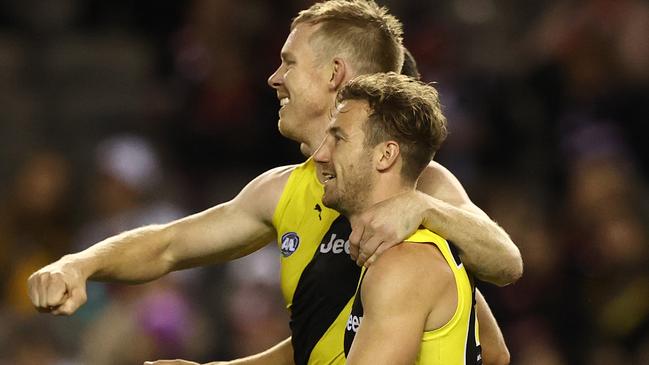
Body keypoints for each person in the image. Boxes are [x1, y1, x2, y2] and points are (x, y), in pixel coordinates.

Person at [28, 1, 518, 364]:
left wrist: (425, 209)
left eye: (289, 61)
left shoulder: (420, 187)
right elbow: (169, 246)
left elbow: (505, 266)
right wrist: (82, 263)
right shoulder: (285, 190)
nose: (273, 77)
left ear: (335, 73)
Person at [314, 71, 473, 364]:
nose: (320, 155)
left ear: (385, 155)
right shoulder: (399, 252)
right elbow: (496, 352)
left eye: (338, 139)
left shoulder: (404, 263)